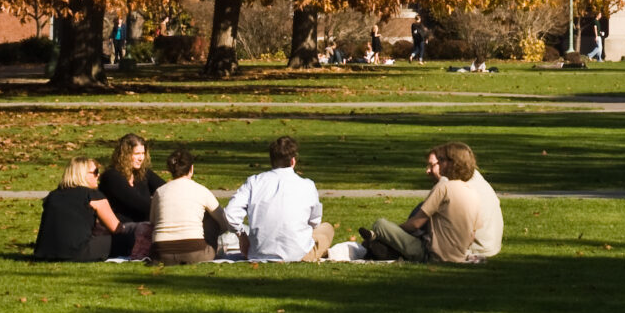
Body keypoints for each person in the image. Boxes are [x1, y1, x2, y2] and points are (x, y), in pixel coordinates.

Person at [359, 142, 503, 264]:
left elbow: (415, 224)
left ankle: (379, 241)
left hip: (437, 255)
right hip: (469, 251)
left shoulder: (444, 187)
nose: (429, 170)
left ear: (451, 162)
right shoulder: (473, 189)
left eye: (440, 161)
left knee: (381, 224)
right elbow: (471, 233)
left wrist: (391, 233)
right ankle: (382, 246)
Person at [226, 135, 333, 263]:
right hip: (298, 254)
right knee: (327, 228)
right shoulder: (307, 185)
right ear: (293, 161)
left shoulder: (254, 182)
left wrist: (242, 236)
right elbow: (315, 221)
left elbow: (230, 214)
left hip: (258, 253)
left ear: (271, 160)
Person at [32, 158, 119, 262]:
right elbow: (117, 228)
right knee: (123, 239)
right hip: (78, 252)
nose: (98, 175)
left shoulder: (53, 196)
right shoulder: (92, 196)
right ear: (82, 174)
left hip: (45, 253)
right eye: (95, 172)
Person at [148, 146, 224, 264]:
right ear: (191, 169)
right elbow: (223, 219)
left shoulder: (159, 192)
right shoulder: (201, 190)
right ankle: (212, 249)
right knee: (211, 219)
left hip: (161, 253)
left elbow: (152, 221)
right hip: (194, 252)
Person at [98, 134, 163, 259]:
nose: (141, 158)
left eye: (143, 153)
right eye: (136, 154)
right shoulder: (112, 177)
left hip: (144, 226)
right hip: (121, 230)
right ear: (125, 155)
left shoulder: (143, 173)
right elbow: (138, 204)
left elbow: (166, 190)